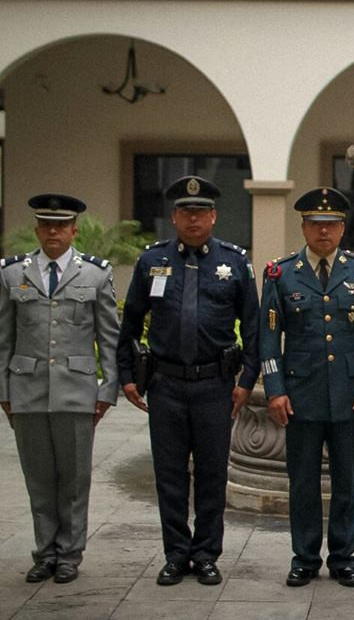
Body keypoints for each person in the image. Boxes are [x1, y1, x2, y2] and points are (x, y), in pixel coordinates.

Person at [117, 176, 260, 586]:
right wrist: (127, 376)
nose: (193, 219)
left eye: (200, 212)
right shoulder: (152, 261)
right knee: (170, 474)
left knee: (213, 474)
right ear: (174, 217)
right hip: (166, 385)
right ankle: (177, 554)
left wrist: (246, 380)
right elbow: (129, 324)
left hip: (215, 385)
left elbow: (252, 329)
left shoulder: (234, 263)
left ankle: (207, 554)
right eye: (185, 212)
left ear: (213, 216)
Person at [259, 187, 354, 588]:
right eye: (315, 224)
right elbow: (267, 337)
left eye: (331, 224)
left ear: (343, 227)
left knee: (347, 481)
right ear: (304, 227)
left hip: (350, 394)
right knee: (303, 481)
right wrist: (275, 390)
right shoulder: (281, 273)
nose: (323, 231)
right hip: (301, 394)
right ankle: (305, 557)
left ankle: (344, 557)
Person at [0, 194, 119, 584]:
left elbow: (110, 338)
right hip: (27, 389)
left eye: (61, 225)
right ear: (37, 229)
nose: (54, 231)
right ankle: (44, 553)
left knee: (73, 479)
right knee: (38, 480)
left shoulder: (96, 275)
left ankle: (69, 554)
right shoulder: (12, 273)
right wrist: (4, 390)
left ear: (73, 230)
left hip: (76, 390)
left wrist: (106, 390)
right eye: (46, 225)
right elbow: (4, 339)